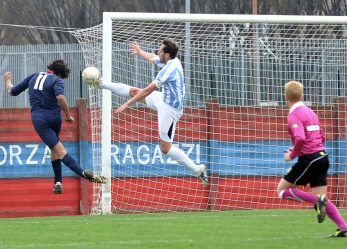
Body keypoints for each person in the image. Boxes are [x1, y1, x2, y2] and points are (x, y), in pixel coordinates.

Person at [98, 38, 208, 186]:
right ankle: (101, 83)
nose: (158, 51)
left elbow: (148, 90)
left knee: (165, 149)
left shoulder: (169, 70)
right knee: (134, 90)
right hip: (163, 99)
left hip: (170, 111)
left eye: (161, 50)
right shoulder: (171, 61)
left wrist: (128, 103)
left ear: (167, 54)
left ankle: (197, 169)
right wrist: (139, 51)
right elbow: (153, 58)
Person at [4, 59, 107, 194]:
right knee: (55, 147)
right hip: (54, 118)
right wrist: (68, 115)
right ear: (60, 74)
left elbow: (12, 91)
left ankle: (83, 173)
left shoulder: (34, 76)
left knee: (59, 150)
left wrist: (7, 80)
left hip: (40, 120)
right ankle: (58, 182)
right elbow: (60, 98)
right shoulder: (57, 80)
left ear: (50, 68)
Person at [277, 80, 347, 237]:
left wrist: (292, 154)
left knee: (281, 190)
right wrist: (299, 149)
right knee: (322, 197)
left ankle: (317, 203)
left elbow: (301, 138)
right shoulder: (310, 112)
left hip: (309, 159)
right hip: (322, 156)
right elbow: (320, 136)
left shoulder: (294, 115)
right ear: (302, 95)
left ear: (285, 97)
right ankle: (344, 227)